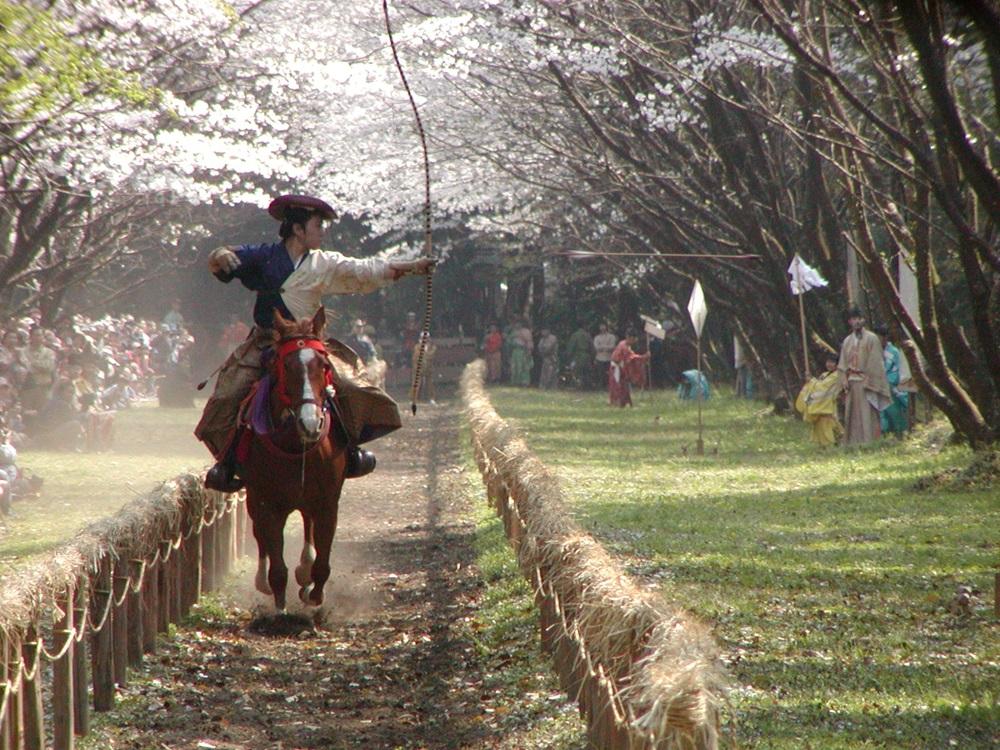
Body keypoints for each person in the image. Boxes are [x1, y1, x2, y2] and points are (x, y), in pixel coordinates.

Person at [196, 194, 435, 492]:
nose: (323, 231)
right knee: (228, 394)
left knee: (351, 388)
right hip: (266, 342)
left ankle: (349, 451)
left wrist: (415, 265)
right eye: (317, 225)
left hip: (307, 344)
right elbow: (223, 260)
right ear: (298, 230)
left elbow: (367, 270)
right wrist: (218, 253)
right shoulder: (264, 256)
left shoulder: (325, 263)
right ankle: (227, 462)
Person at [836, 307, 890, 445]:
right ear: (849, 322)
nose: (857, 322)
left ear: (863, 320)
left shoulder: (872, 339)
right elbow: (842, 364)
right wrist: (843, 380)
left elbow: (876, 361)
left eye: (859, 319)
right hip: (851, 382)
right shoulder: (847, 341)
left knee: (868, 413)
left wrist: (869, 379)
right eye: (854, 319)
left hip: (867, 381)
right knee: (852, 414)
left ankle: (870, 442)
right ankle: (853, 443)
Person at [795, 353, 844, 447]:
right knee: (820, 424)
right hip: (821, 406)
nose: (829, 364)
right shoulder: (824, 375)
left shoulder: (837, 375)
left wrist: (812, 381)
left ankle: (833, 443)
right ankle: (823, 445)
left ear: (837, 364)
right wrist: (810, 381)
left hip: (828, 406)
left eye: (832, 362)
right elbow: (817, 386)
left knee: (830, 424)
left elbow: (823, 387)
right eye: (828, 362)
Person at [875, 324, 909, 438]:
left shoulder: (894, 351)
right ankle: (884, 434)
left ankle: (899, 433)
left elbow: (898, 371)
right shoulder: (873, 353)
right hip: (876, 387)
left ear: (885, 338)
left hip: (892, 387)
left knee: (894, 412)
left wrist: (887, 381)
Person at [608, 332, 649, 407]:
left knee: (624, 386)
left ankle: (624, 402)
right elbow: (632, 358)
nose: (634, 342)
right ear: (629, 338)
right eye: (633, 340)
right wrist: (644, 357)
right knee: (618, 386)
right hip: (617, 367)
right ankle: (617, 402)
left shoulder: (623, 343)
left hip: (621, 367)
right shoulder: (624, 347)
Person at [564, 324, 592, 388]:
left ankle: (577, 386)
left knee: (577, 372)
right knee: (586, 372)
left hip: (577, 356)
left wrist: (568, 357)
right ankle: (587, 387)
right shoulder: (588, 335)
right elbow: (592, 347)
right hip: (587, 356)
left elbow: (571, 347)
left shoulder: (575, 335)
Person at [507, 319, 533, 386]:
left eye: (518, 323)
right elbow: (509, 341)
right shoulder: (513, 332)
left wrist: (529, 351)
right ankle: (515, 382)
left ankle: (525, 382)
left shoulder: (526, 331)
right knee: (514, 367)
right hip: (515, 351)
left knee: (524, 367)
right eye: (516, 323)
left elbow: (529, 342)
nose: (517, 325)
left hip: (523, 351)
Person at [592, 323, 616, 389]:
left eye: (604, 326)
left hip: (609, 358)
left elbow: (612, 347)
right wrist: (606, 347)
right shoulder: (597, 337)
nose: (602, 328)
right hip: (599, 358)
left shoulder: (611, 337)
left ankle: (610, 386)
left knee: (610, 374)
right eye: (601, 326)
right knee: (600, 374)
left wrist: (602, 347)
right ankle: (601, 387)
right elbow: (596, 347)